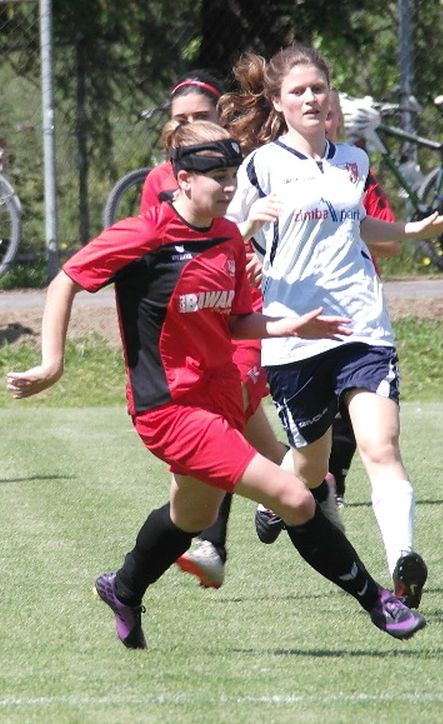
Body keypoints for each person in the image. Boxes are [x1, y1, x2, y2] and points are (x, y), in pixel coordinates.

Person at [6, 120, 427, 649]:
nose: (230, 187)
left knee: (193, 515)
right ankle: (379, 602)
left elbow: (234, 322)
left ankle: (124, 587)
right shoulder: (145, 234)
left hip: (222, 397)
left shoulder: (227, 236)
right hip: (170, 409)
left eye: (232, 175)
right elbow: (65, 280)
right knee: (294, 497)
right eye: (218, 178)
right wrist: (52, 364)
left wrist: (290, 326)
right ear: (183, 180)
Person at [223, 46, 443, 608]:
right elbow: (222, 243)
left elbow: (359, 227)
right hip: (295, 335)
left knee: (381, 444)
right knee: (311, 467)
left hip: (362, 325)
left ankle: (402, 560)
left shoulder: (353, 160)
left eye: (319, 88)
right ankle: (278, 492)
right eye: (298, 91)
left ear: (330, 94)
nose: (311, 98)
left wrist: (413, 231)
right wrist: (249, 226)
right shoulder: (260, 166)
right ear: (278, 102)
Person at [139, 70, 290, 590]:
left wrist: (260, 253)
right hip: (191, 337)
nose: (187, 123)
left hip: (237, 322)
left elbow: (256, 239)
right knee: (241, 442)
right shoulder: (160, 182)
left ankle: (215, 542)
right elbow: (161, 257)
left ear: (219, 118)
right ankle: (306, 487)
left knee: (226, 429)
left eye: (199, 115)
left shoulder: (248, 169)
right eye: (179, 117)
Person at [324, 88, 398, 507]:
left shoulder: (357, 173)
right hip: (295, 308)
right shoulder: (274, 169)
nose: (325, 121)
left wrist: (342, 231)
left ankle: (333, 480)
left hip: (354, 304)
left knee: (355, 394)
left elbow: (390, 241)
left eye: (332, 114)